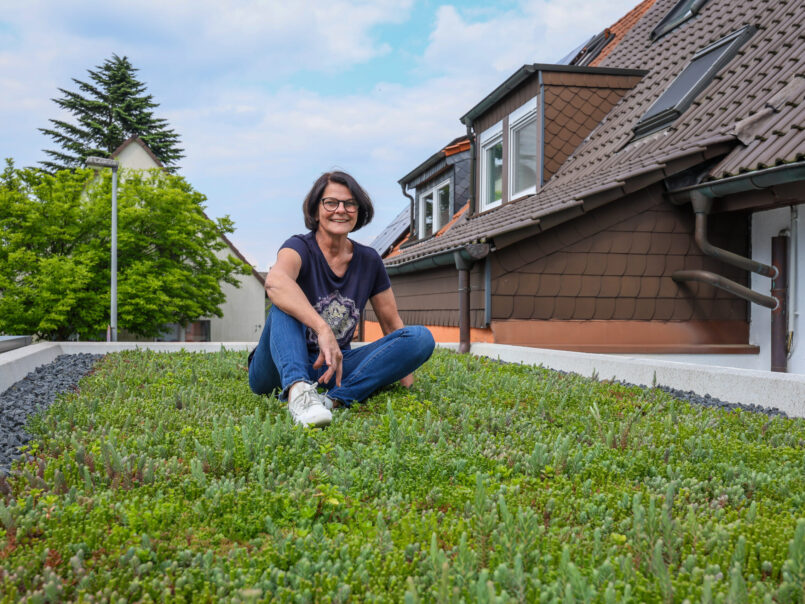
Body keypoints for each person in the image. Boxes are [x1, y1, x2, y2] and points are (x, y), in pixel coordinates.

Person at [248, 171, 435, 427]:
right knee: (284, 303)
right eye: (331, 203)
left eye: (349, 204)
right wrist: (322, 328)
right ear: (316, 211)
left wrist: (405, 381)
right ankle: (298, 390)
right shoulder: (298, 247)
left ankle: (331, 400)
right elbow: (275, 282)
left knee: (420, 337)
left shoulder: (369, 261)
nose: (341, 210)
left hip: (332, 367)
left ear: (358, 211)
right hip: (275, 368)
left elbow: (392, 326)